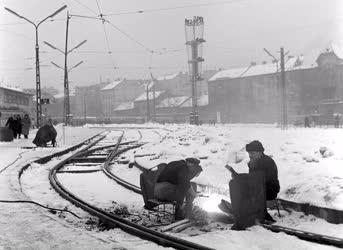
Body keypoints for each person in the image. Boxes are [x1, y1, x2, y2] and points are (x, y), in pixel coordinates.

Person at [222, 140, 280, 223]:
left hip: (270, 190)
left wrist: (241, 178)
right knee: (234, 184)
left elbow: (259, 178)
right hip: (258, 187)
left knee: (249, 188)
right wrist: (236, 176)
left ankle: (260, 215)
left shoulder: (267, 162)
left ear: (260, 152)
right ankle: (240, 212)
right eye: (249, 153)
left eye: (253, 153)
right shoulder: (253, 162)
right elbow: (251, 179)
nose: (250, 155)